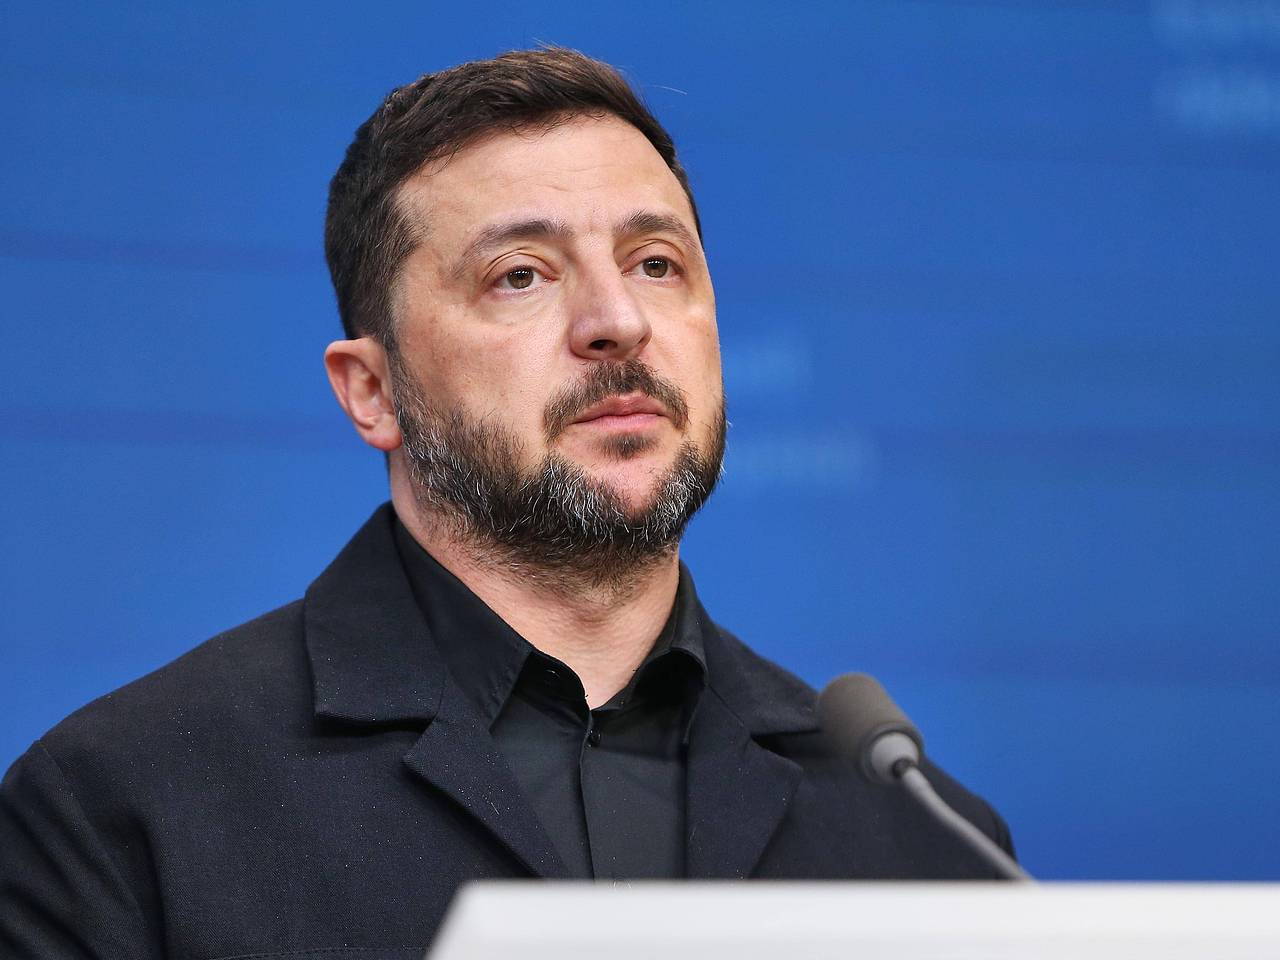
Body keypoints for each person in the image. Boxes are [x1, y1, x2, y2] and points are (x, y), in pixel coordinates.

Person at [0, 48, 1015, 959]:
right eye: (520, 275)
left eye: (655, 264)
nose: (617, 321)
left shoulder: (919, 840)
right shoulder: (121, 811)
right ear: (372, 390)